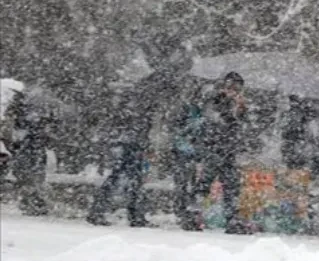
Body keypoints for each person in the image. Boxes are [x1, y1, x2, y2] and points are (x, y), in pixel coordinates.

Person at [87, 67, 186, 227]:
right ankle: (117, 212)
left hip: (128, 140)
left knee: (129, 177)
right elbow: (135, 120)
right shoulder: (142, 97)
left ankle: (123, 212)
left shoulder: (140, 95)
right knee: (125, 176)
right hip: (128, 141)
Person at [196, 72, 250, 233]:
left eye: (238, 87)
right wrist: (232, 110)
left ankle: (232, 219)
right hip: (214, 148)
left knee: (231, 186)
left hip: (228, 150)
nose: (234, 90)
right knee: (205, 184)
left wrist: (241, 109)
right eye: (232, 86)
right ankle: (194, 214)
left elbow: (240, 125)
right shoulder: (215, 99)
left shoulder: (235, 103)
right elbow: (216, 121)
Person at [170, 83, 207, 231]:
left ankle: (190, 213)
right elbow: (178, 130)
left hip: (195, 152)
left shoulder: (200, 112)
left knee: (193, 183)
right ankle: (183, 213)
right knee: (183, 183)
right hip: (183, 151)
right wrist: (191, 129)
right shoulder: (185, 110)